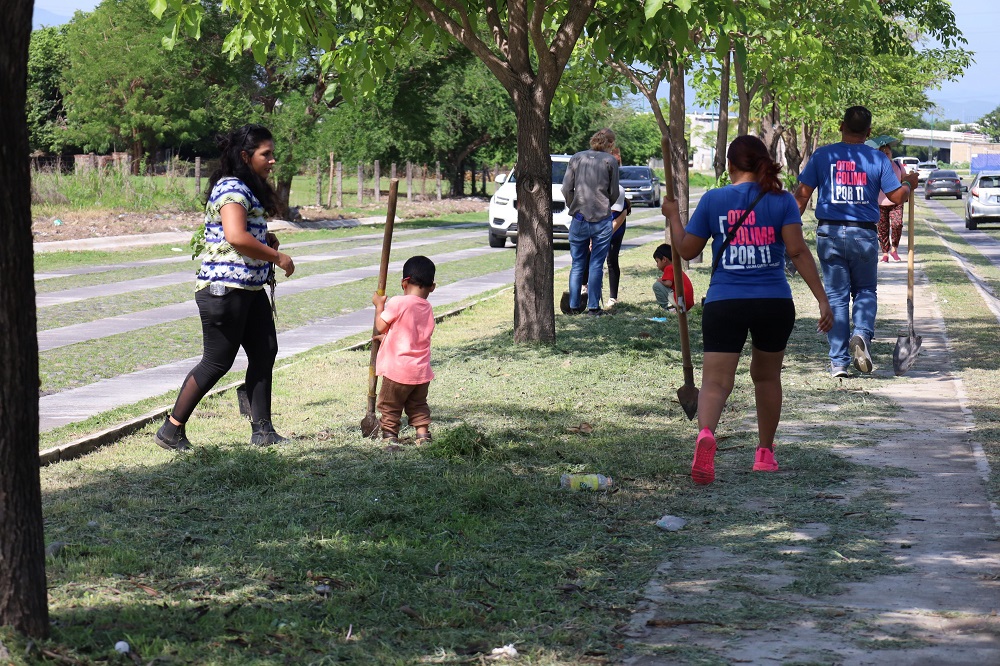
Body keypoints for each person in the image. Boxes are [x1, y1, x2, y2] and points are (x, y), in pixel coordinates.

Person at [665, 135, 833, 485]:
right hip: (774, 302)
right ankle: (765, 453)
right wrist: (821, 298)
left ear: (729, 166)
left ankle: (706, 434)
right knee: (767, 377)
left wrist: (672, 217)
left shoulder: (714, 199)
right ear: (761, 163)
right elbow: (798, 252)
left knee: (715, 381)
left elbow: (686, 249)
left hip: (726, 301)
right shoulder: (782, 200)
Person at [155, 124, 295, 451]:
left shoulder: (245, 188)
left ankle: (263, 430)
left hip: (248, 289)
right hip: (224, 290)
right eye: (266, 154)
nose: (272, 160)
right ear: (246, 156)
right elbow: (235, 236)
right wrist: (277, 256)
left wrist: (264, 238)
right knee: (217, 362)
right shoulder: (231, 187)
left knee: (264, 352)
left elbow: (241, 234)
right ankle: (171, 430)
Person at [795, 106, 917, 377]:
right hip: (863, 235)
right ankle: (861, 334)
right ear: (869, 132)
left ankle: (839, 363)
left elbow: (802, 195)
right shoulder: (877, 159)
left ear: (841, 125)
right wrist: (908, 184)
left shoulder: (823, 156)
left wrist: (787, 227)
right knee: (864, 291)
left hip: (830, 233)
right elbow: (896, 197)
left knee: (836, 296)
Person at [372, 256, 437, 445]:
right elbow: (412, 336)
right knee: (418, 405)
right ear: (432, 287)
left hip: (397, 371)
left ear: (404, 283)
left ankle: (390, 437)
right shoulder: (428, 308)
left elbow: (380, 326)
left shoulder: (399, 302)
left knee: (390, 406)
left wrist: (379, 305)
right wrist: (388, 339)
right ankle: (423, 435)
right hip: (421, 372)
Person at [561, 128, 620, 316]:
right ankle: (593, 307)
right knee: (596, 263)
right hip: (601, 220)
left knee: (577, 263)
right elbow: (614, 192)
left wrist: (573, 205)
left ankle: (573, 305)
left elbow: (566, 188)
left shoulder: (577, 158)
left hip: (578, 219)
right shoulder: (610, 161)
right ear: (610, 144)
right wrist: (605, 203)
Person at [872, 140, 906, 262]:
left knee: (897, 224)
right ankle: (885, 252)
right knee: (882, 228)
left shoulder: (897, 165)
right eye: (882, 153)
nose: (885, 155)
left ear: (891, 154)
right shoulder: (874, 166)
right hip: (880, 203)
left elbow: (905, 179)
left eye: (887, 153)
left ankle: (894, 249)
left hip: (896, 202)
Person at [651, 243, 694, 314]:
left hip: (681, 302)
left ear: (664, 259)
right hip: (687, 303)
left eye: (657, 261)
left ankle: (670, 309)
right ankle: (674, 309)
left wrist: (660, 280)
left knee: (657, 285)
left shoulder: (669, 268)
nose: (657, 265)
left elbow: (668, 283)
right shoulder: (675, 268)